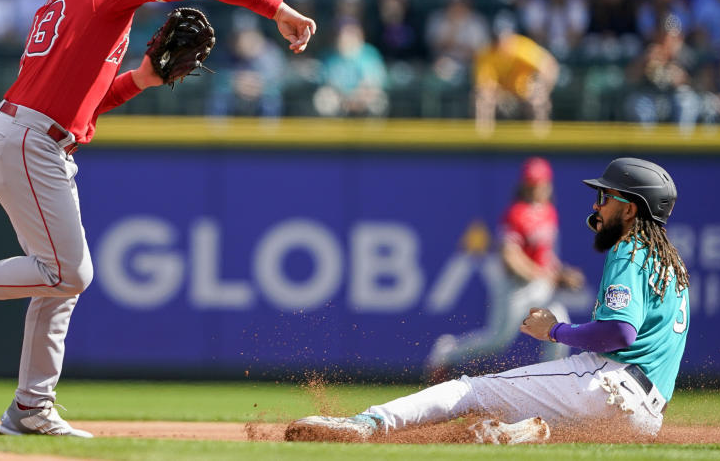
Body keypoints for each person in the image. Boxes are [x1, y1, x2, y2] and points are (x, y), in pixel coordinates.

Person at [0, 0, 316, 437]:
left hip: (31, 134)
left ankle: (31, 409)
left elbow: (83, 102)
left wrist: (143, 79)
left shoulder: (67, 0)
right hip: (29, 140)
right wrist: (274, 6)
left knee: (58, 280)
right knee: (69, 273)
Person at [287, 157, 689, 444]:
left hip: (608, 387)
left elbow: (619, 332)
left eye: (605, 197)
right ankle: (523, 432)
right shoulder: (674, 269)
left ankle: (368, 423)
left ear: (631, 208)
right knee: (552, 414)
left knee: (471, 391)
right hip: (643, 416)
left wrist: (554, 330)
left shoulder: (630, 250)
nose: (597, 206)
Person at [425, 157, 585, 378]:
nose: (537, 187)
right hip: (515, 287)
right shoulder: (516, 213)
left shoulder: (548, 211)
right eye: (532, 183)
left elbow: (545, 257)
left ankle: (552, 379)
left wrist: (560, 273)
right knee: (497, 341)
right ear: (525, 185)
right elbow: (510, 257)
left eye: (540, 182)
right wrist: (544, 275)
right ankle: (447, 352)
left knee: (559, 324)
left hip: (539, 287)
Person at [472, 18, 559, 136]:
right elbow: (484, 84)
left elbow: (549, 66)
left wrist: (544, 87)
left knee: (538, 96)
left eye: (505, 37)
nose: (502, 42)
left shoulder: (523, 48)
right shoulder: (487, 53)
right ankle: (483, 138)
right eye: (499, 38)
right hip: (500, 94)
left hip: (524, 91)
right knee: (483, 97)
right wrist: (498, 94)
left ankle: (540, 137)